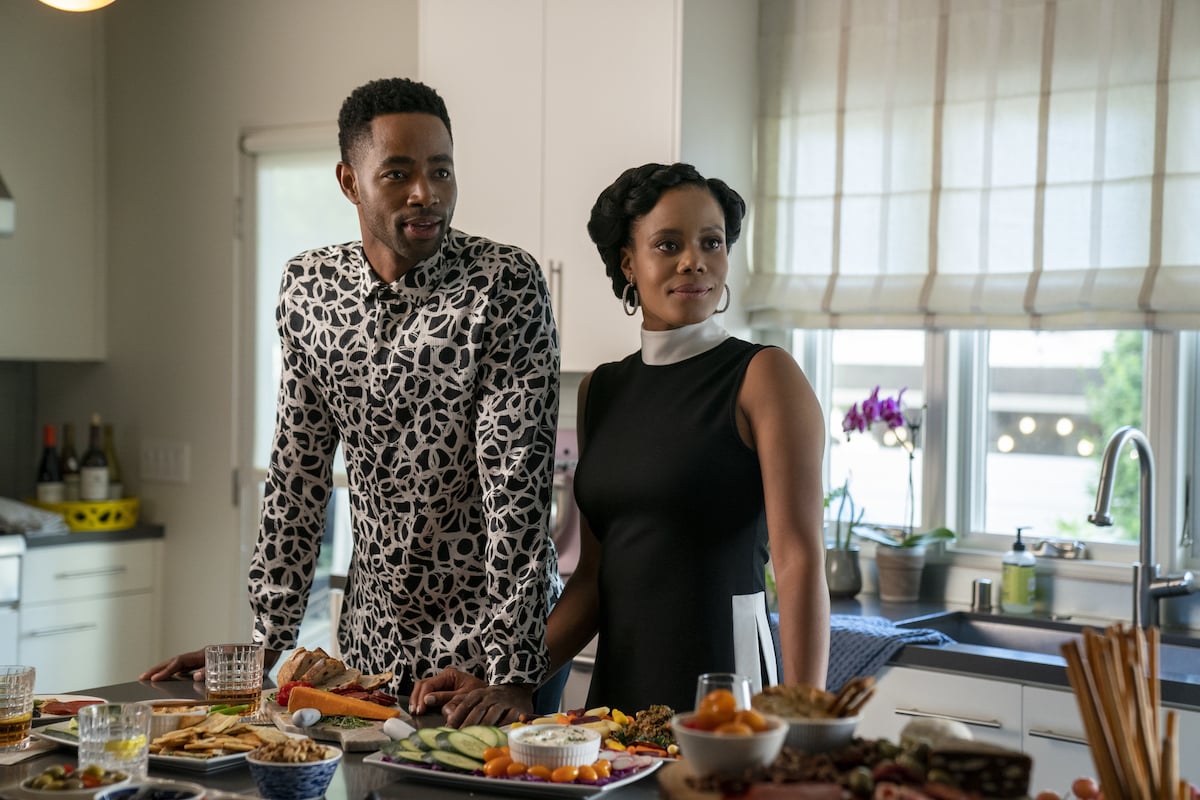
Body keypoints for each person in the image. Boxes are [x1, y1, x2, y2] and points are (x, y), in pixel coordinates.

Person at [141, 77, 565, 717]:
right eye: (398, 174)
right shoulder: (309, 289)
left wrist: (512, 673)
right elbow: (296, 476)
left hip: (492, 651)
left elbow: (518, 489)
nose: (426, 194)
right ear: (349, 182)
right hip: (372, 646)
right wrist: (264, 642)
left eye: (441, 171)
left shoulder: (503, 285)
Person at [413, 162, 830, 724]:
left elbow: (799, 561)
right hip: (618, 697)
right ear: (629, 263)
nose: (695, 260)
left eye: (712, 242)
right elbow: (594, 580)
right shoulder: (601, 390)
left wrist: (810, 725)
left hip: (733, 695)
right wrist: (507, 680)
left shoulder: (764, 376)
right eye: (668, 244)